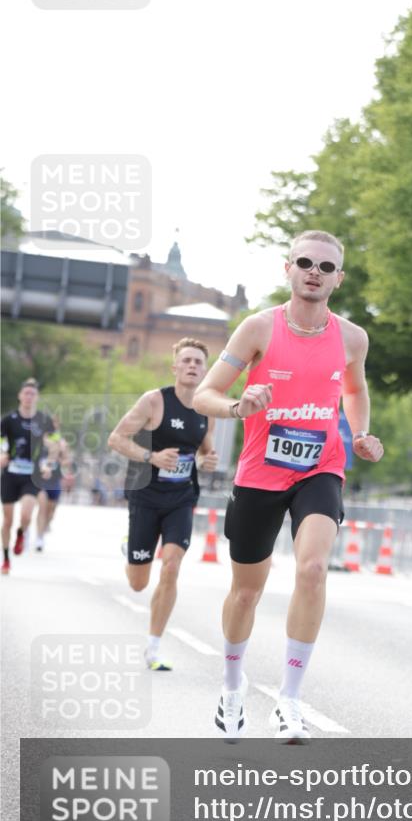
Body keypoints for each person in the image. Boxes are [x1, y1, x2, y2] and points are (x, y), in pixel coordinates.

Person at [194, 230, 383, 743]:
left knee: (313, 568)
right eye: (305, 262)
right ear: (288, 269)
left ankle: (290, 700)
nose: (314, 272)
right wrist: (238, 406)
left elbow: (355, 389)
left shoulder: (352, 338)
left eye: (325, 267)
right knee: (247, 592)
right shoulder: (257, 329)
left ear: (338, 279)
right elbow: (205, 395)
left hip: (320, 466)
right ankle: (233, 687)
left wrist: (361, 433)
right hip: (259, 473)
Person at [107, 338, 218, 670]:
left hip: (181, 498)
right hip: (146, 496)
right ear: (175, 367)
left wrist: (208, 460)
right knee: (138, 583)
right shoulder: (154, 401)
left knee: (171, 566)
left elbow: (204, 449)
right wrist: (151, 456)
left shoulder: (205, 409)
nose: (192, 366)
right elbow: (116, 438)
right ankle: (131, 548)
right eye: (186, 360)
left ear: (205, 370)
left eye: (198, 361)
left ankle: (153, 648)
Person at [1, 378, 57, 573]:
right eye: (26, 393)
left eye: (32, 394)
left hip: (32, 475)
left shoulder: (44, 420)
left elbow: (56, 444)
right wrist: (1, 454)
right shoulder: (8, 420)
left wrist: (49, 464)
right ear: (20, 396)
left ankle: (21, 533)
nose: (29, 397)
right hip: (10, 473)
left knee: (25, 514)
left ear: (37, 398)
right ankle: (6, 559)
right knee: (7, 519)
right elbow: (1, 441)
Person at [35, 417, 72, 552]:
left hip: (55, 480)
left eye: (56, 424)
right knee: (42, 508)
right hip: (40, 481)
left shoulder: (61, 442)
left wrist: (62, 454)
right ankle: (39, 538)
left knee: (51, 510)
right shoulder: (38, 441)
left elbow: (67, 462)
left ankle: (44, 527)